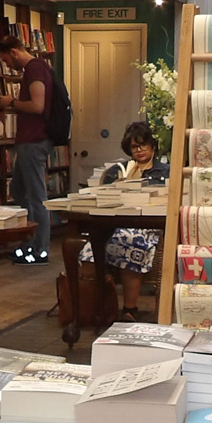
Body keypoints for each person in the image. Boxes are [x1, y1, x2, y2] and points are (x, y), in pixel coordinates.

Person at [80, 121, 166, 320]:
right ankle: (98, 306)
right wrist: (115, 189)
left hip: (149, 227)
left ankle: (130, 309)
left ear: (152, 145)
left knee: (132, 246)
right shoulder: (117, 171)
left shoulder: (165, 172)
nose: (139, 150)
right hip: (116, 225)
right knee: (89, 251)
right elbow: (102, 201)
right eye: (134, 147)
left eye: (143, 145)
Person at [0, 35, 54, 263]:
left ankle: (40, 249)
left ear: (14, 52)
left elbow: (37, 106)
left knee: (36, 196)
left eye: (7, 60)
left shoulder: (35, 69)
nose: (8, 65)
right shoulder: (35, 69)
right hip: (29, 141)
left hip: (34, 141)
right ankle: (29, 242)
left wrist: (11, 103)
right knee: (19, 190)